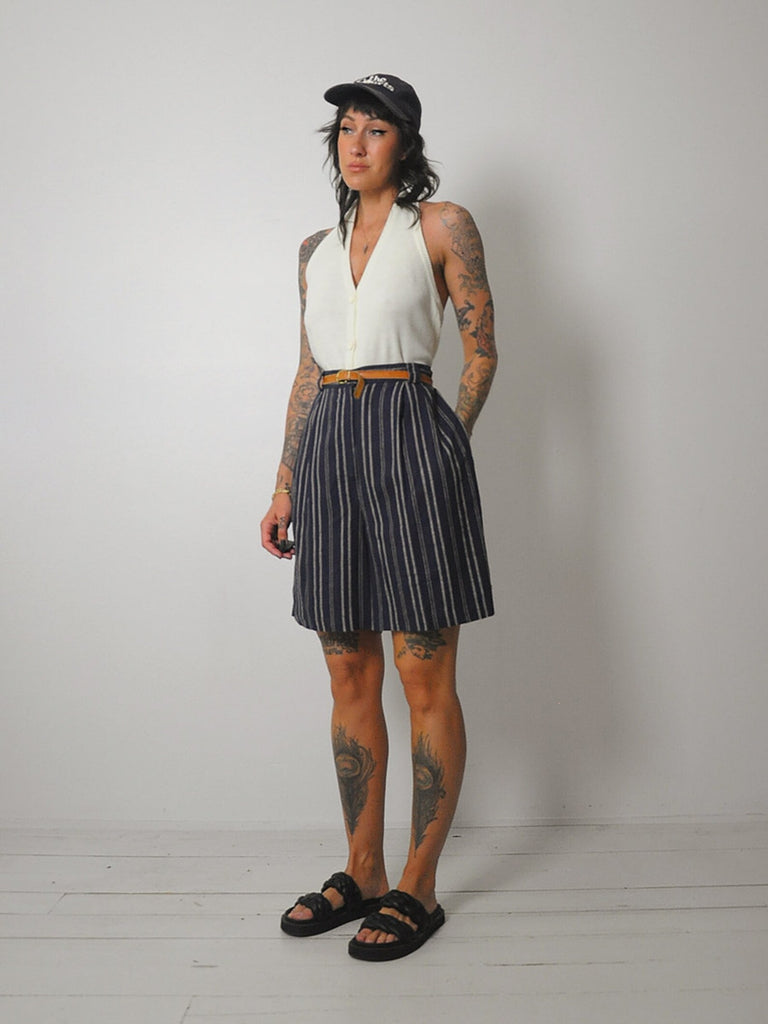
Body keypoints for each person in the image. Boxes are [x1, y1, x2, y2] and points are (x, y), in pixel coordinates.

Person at [260, 73, 497, 961]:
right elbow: (308, 370)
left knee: (422, 672)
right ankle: (362, 871)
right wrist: (285, 482)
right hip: (329, 445)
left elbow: (482, 348)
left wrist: (445, 446)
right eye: (346, 129)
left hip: (411, 432)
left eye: (377, 129)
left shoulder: (442, 225)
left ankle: (419, 885)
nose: (356, 143)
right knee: (348, 671)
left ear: (406, 144)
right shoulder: (313, 250)